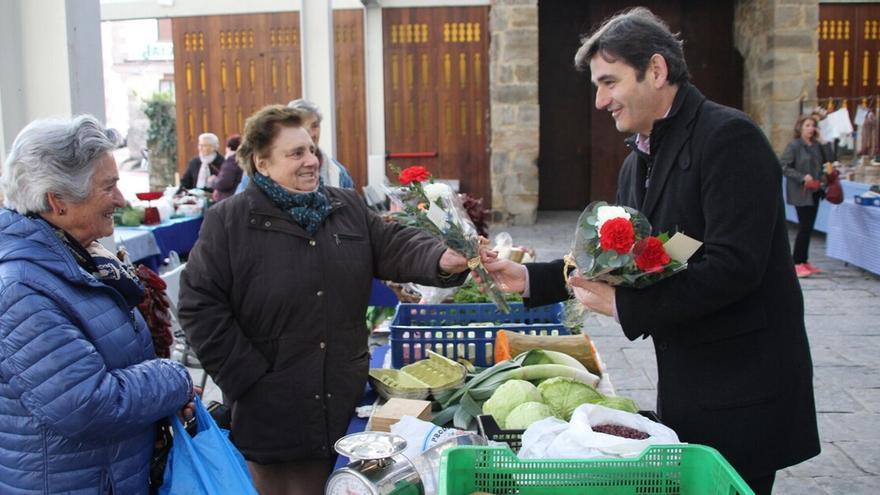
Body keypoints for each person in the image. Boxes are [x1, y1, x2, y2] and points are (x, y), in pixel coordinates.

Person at [482, 8, 819, 494]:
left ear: (656, 71)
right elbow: (625, 260)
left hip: (743, 384)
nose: (600, 100)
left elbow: (734, 266)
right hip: (689, 380)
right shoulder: (635, 162)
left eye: (609, 82)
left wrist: (626, 306)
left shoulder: (728, 139)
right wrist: (533, 279)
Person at [178, 105, 468, 495]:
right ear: (261, 163)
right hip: (272, 410)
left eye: (312, 149)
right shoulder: (230, 220)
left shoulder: (344, 206)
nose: (311, 161)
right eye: (295, 153)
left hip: (341, 395)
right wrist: (248, 378)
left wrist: (441, 258)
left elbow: (393, 244)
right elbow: (199, 305)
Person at [0, 115, 194, 494]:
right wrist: (175, 379)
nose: (121, 200)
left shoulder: (78, 260)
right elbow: (87, 404)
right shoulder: (21, 290)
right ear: (58, 201)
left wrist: (159, 405)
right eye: (109, 187)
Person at [234, 99, 356, 194]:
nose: (311, 133)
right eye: (297, 154)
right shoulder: (253, 178)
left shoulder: (338, 171)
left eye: (315, 125)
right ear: (262, 165)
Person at [781, 115, 829, 277]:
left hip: (815, 190)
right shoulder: (794, 146)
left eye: (813, 125)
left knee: (809, 227)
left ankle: (804, 260)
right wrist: (802, 177)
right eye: (807, 125)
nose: (811, 128)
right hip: (801, 192)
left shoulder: (816, 146)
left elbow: (829, 160)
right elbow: (784, 166)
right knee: (804, 226)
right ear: (800, 128)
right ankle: (796, 262)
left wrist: (824, 142)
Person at [212, 134, 243, 201]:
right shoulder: (244, 159)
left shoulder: (231, 160)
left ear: (228, 148)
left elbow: (224, 183)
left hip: (230, 199)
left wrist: (213, 181)